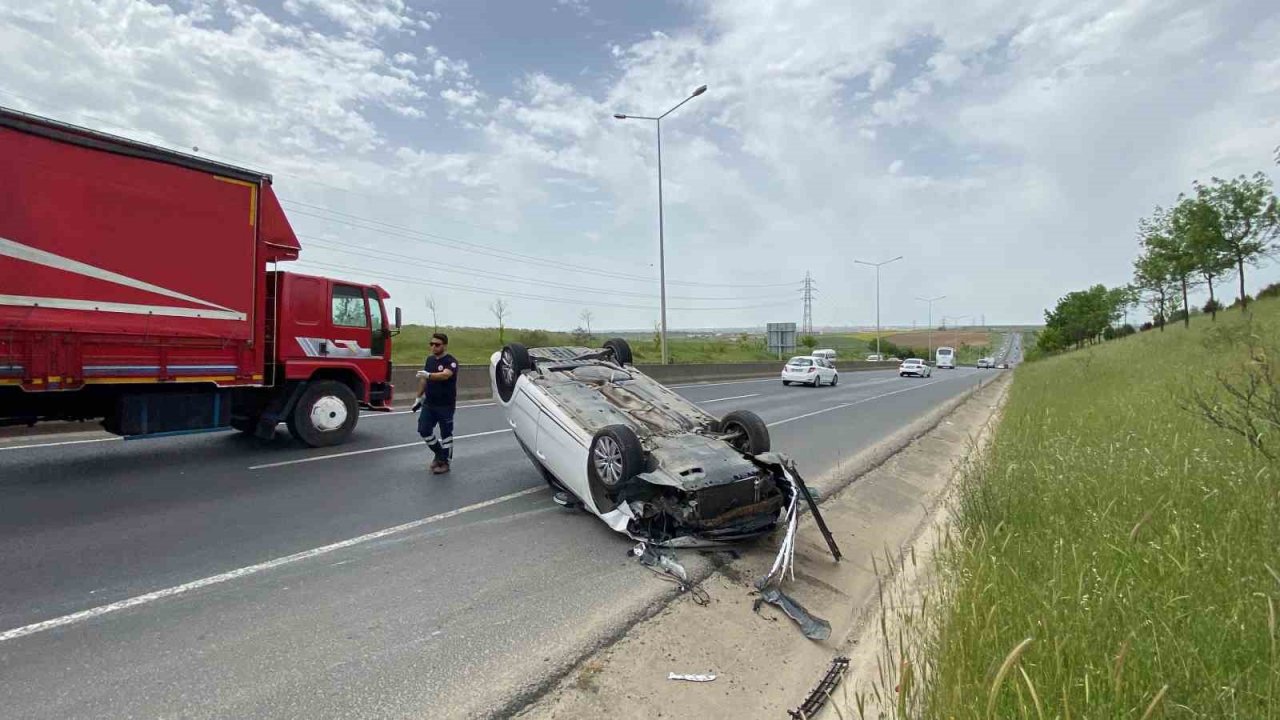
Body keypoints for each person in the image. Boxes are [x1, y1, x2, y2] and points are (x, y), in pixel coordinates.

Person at [414, 332, 458, 474]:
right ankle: (439, 454)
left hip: (445, 405)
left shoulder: (450, 361)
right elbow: (423, 380)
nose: (433, 347)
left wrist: (429, 375)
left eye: (437, 344)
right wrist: (418, 397)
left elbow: (446, 374)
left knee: (446, 434)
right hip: (429, 403)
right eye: (431, 344)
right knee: (423, 430)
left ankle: (445, 462)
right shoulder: (430, 360)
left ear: (444, 346)